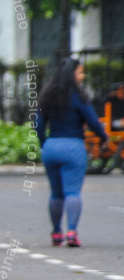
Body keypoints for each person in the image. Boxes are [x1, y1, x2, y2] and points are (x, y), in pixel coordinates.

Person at [36, 58, 109, 248]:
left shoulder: (46, 95)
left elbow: (38, 124)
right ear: (72, 75)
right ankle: (71, 233)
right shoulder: (78, 97)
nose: (83, 76)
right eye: (80, 72)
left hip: (51, 147)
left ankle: (56, 233)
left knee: (56, 194)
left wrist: (46, 144)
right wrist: (104, 138)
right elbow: (93, 121)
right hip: (73, 146)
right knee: (73, 192)